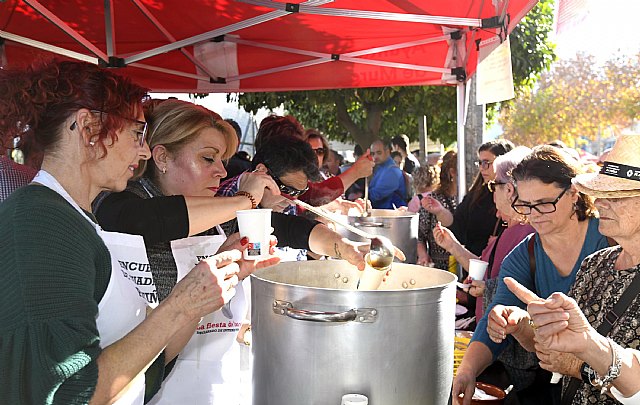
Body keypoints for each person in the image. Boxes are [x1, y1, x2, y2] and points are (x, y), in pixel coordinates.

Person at [0, 60, 250, 404]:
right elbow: (67, 393)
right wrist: (180, 304)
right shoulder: (42, 222)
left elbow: (151, 360)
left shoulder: (75, 219)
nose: (145, 150)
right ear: (88, 128)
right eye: (137, 133)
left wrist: (205, 290)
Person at [94, 99, 370, 404]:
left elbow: (284, 227)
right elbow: (147, 220)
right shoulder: (121, 204)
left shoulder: (216, 214)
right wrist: (242, 201)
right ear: (162, 157)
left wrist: (341, 246)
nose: (221, 170)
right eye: (208, 158)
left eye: (222, 159)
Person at [452, 146, 609, 405]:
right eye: (525, 205)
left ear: (573, 193)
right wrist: (468, 370)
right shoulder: (523, 254)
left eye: (544, 204)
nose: (534, 215)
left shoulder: (609, 239)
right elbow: (498, 313)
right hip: (559, 389)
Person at [505, 133, 640, 405]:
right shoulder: (596, 264)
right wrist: (528, 326)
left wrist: (588, 353)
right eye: (599, 194)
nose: (600, 203)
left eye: (615, 196)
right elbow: (563, 350)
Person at [433, 147, 534, 322]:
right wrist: (452, 246)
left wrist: (486, 288)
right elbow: (486, 270)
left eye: (494, 186)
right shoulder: (514, 228)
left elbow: (522, 290)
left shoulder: (526, 233)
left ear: (509, 190)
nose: (491, 192)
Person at [450, 140, 515, 258]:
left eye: (486, 163)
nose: (482, 168)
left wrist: (502, 240)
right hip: (474, 263)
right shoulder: (477, 194)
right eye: (480, 163)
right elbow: (458, 223)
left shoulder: (515, 195)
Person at [416, 151, 458, 269]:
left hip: (466, 264)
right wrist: (423, 255)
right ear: (452, 172)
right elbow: (419, 234)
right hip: (439, 266)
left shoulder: (470, 197)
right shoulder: (433, 199)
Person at [369, 139, 407, 209]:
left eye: (379, 153)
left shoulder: (392, 171)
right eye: (373, 154)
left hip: (391, 216)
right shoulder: (381, 168)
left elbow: (374, 196)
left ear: (387, 152)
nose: (375, 156)